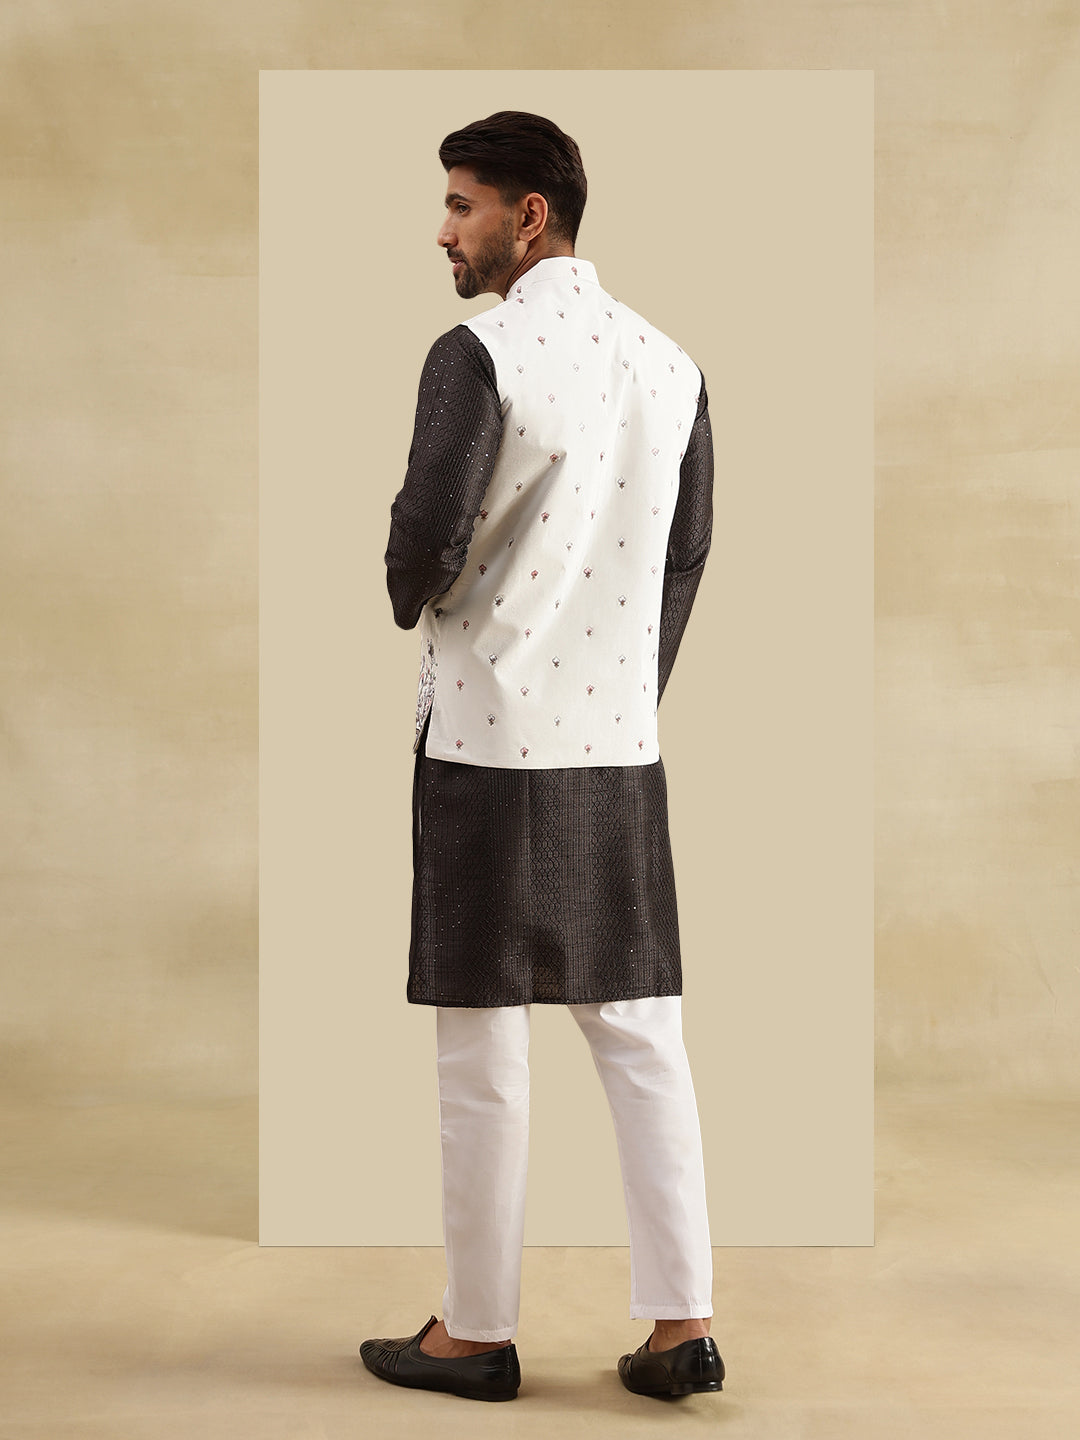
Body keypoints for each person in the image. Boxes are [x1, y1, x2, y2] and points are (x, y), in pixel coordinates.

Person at [360, 111, 723, 1403]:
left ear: (530, 217)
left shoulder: (480, 353)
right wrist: (631, 686)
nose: (444, 230)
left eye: (462, 205)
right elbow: (686, 553)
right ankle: (682, 1326)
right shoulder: (672, 363)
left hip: (484, 733)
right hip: (619, 740)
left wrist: (410, 586)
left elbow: (423, 538)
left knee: (482, 1041)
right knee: (641, 1030)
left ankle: (474, 1333)